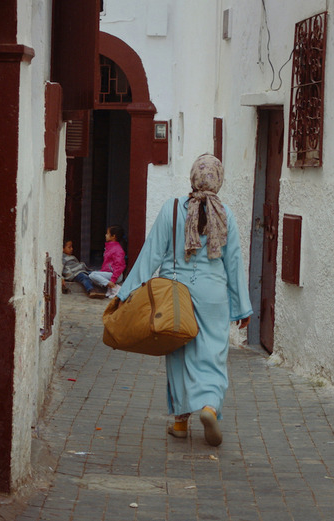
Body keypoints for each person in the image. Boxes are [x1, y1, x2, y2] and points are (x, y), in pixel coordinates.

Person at [115, 154, 252, 447]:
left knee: (178, 353)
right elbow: (234, 263)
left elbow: (150, 253)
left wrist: (125, 293)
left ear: (193, 177)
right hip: (214, 295)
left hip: (175, 295)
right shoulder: (226, 214)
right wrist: (241, 306)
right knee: (213, 355)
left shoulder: (172, 209)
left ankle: (180, 422)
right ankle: (210, 407)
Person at [88, 225, 126, 298]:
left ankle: (114, 287)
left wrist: (113, 279)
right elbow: (106, 264)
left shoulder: (117, 249)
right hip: (109, 274)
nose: (106, 235)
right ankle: (110, 288)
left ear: (113, 236)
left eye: (107, 233)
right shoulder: (109, 247)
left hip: (116, 275)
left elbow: (119, 266)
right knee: (91, 274)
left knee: (92, 275)